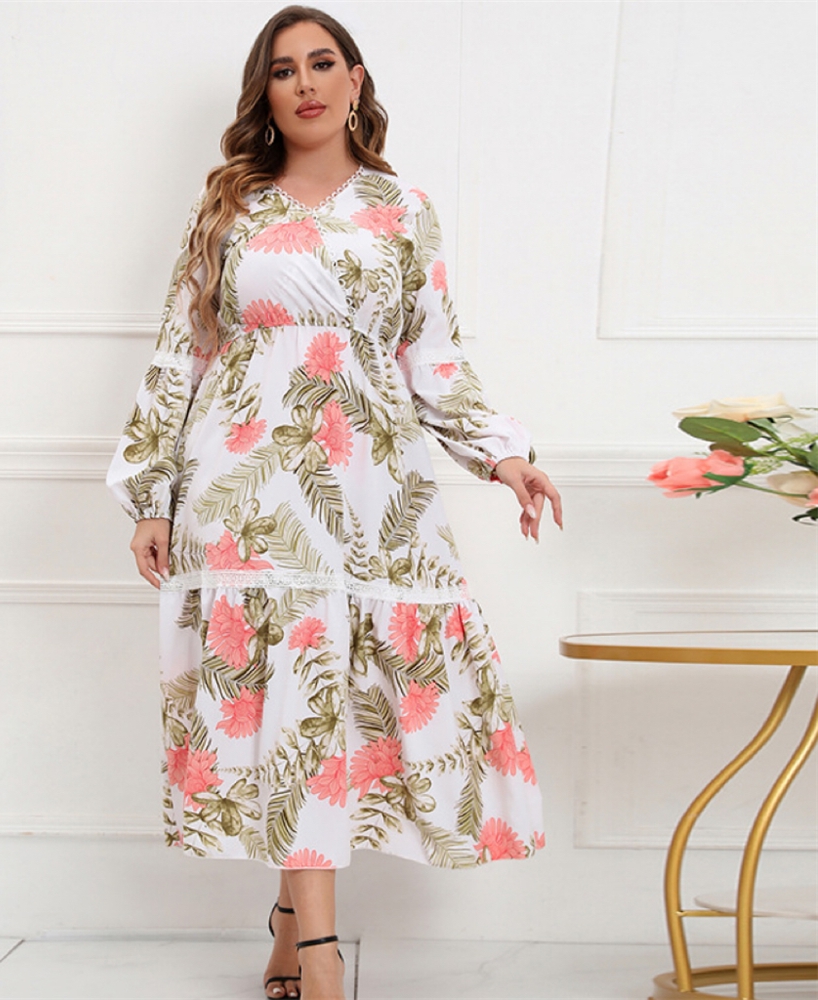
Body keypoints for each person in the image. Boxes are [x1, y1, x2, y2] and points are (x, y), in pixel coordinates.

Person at [107, 6, 562, 999]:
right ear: (265, 94)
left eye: (322, 64)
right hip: (245, 485)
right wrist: (151, 494)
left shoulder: (404, 210)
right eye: (283, 70)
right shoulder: (229, 206)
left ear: (355, 81)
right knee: (287, 695)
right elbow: (183, 349)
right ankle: (319, 954)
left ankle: (288, 922)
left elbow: (432, 354)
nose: (305, 83)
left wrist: (503, 457)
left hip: (370, 486)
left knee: (328, 702)